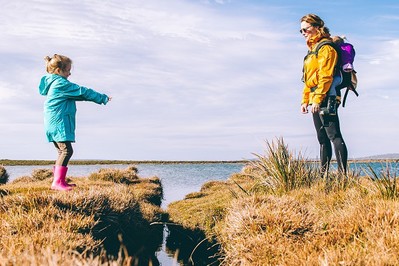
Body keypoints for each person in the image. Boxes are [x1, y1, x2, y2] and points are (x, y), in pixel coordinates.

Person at [39, 54, 112, 191]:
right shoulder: (61, 84)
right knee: (67, 150)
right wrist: (102, 97)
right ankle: (57, 182)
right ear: (58, 71)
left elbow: (79, 95)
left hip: (52, 123)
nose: (70, 73)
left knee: (61, 151)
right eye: (67, 70)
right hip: (59, 122)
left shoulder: (54, 83)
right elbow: (82, 92)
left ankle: (59, 181)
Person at [300, 14, 348, 175]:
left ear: (316, 27)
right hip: (315, 98)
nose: (303, 33)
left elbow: (326, 76)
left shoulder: (325, 48)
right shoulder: (312, 50)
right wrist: (305, 100)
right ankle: (323, 176)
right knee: (322, 138)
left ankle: (343, 177)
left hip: (327, 96)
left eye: (306, 29)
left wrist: (318, 99)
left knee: (334, 135)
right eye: (301, 31)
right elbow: (308, 79)